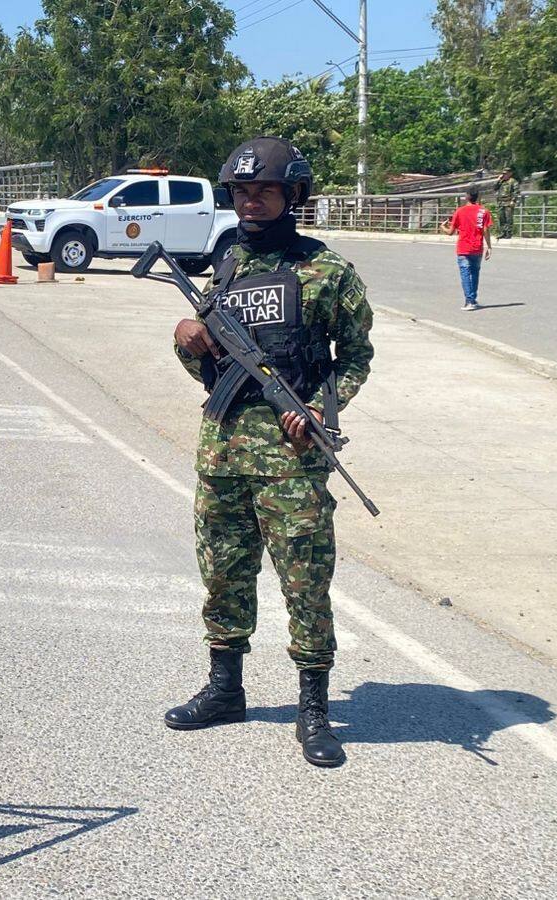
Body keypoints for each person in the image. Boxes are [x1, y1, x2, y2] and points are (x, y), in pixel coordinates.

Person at [166, 136, 374, 769]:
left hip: (292, 459)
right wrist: (188, 340)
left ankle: (314, 707)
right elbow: (204, 359)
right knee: (223, 571)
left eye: (263, 191)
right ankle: (226, 688)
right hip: (224, 451)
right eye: (240, 191)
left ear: (293, 196)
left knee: (306, 582)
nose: (249, 202)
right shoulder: (224, 263)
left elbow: (357, 357)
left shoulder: (328, 272)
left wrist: (320, 410)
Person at [444, 188, 493, 311]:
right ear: (478, 197)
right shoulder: (483, 211)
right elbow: (486, 230)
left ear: (466, 197)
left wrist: (442, 227)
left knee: (465, 274)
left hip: (463, 248)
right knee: (475, 273)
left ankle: (469, 301)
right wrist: (489, 246)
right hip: (477, 247)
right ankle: (473, 299)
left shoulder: (460, 211)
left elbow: (450, 232)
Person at [495, 166, 519, 239]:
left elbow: (516, 191)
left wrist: (513, 200)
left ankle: (508, 233)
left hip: (508, 202)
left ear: (510, 174)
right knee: (501, 218)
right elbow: (495, 188)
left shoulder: (513, 181)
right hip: (501, 202)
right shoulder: (501, 181)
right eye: (503, 174)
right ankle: (502, 232)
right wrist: (498, 180)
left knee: (508, 218)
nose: (504, 175)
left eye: (506, 174)